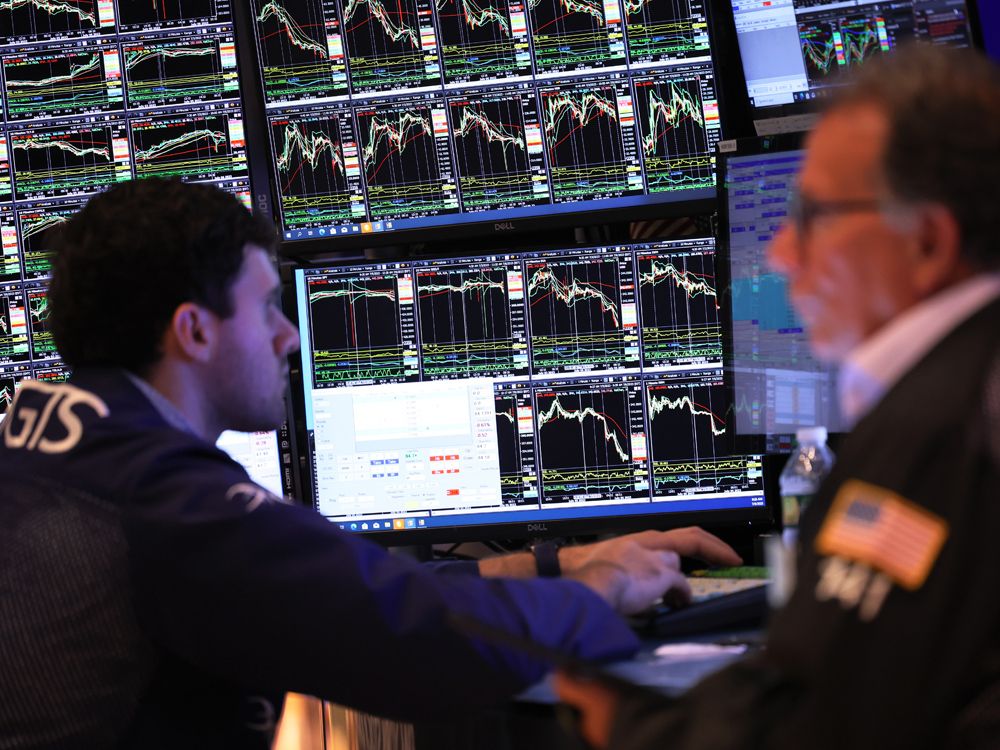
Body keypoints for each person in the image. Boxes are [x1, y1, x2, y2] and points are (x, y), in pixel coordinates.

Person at [0, 177, 740, 749]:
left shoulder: (61, 450)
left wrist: (558, 565)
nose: (290, 337)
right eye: (265, 309)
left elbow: (353, 588)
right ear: (192, 331)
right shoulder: (162, 501)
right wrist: (606, 591)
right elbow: (422, 644)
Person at [556, 44, 1000, 750]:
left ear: (928, 242)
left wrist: (629, 725)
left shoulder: (938, 429)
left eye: (815, 216)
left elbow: (827, 719)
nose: (783, 254)